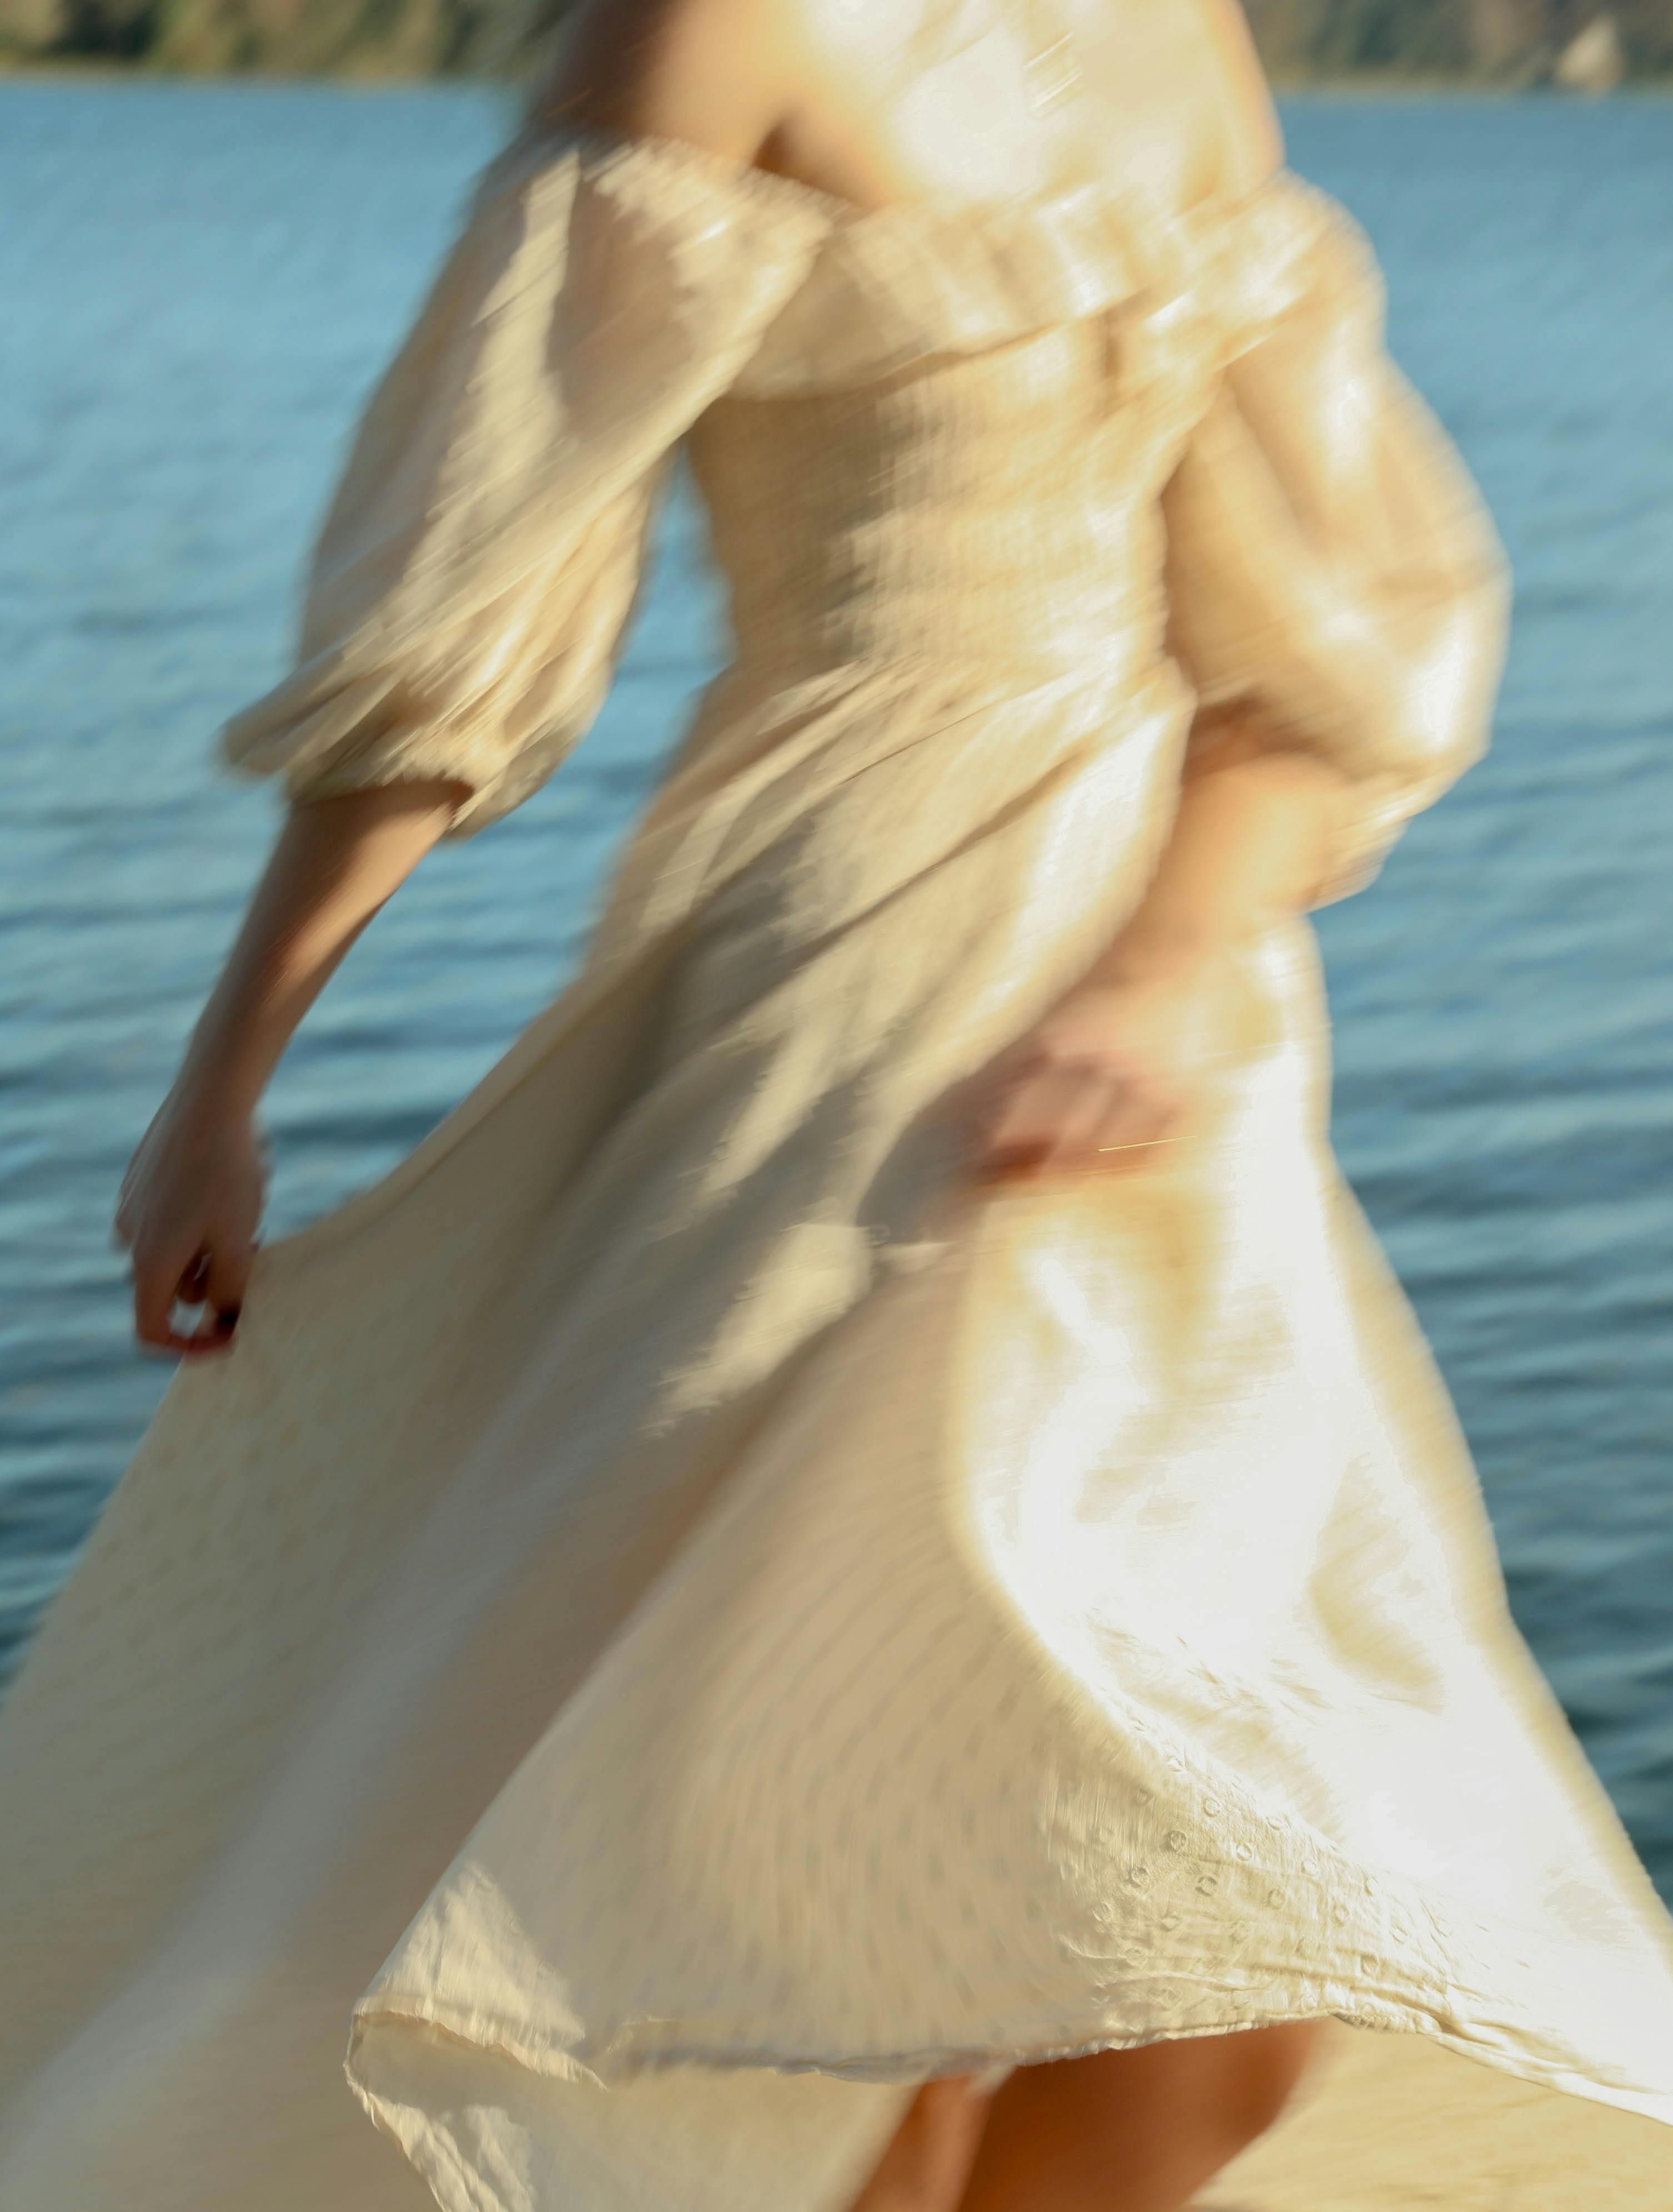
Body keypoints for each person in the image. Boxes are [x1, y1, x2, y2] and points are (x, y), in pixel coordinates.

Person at [2, 0, 1671, 2205]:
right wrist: (220, 1087)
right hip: (824, 989)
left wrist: (1168, 970)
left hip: (1169, 1044)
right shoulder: (705, 31)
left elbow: (1311, 665)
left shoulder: (1187, 38)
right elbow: (462, 620)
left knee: (1218, 1962)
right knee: (834, 1913)